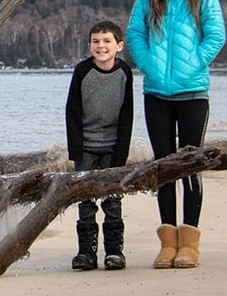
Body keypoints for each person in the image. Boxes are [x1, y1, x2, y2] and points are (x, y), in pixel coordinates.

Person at [126, 0, 226, 270]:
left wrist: (193, 63)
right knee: (164, 167)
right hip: (156, 93)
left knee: (190, 166)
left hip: (193, 92)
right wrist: (150, 66)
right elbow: (134, 33)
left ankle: (190, 244)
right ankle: (168, 244)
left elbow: (216, 35)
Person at [65, 20, 134, 271]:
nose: (101, 46)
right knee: (85, 201)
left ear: (119, 46)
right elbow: (72, 111)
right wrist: (76, 150)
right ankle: (86, 253)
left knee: (113, 201)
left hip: (112, 147)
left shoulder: (124, 73)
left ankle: (114, 252)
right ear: (89, 45)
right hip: (86, 147)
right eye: (96, 41)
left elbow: (127, 114)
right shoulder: (82, 71)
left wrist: (121, 153)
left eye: (106, 41)